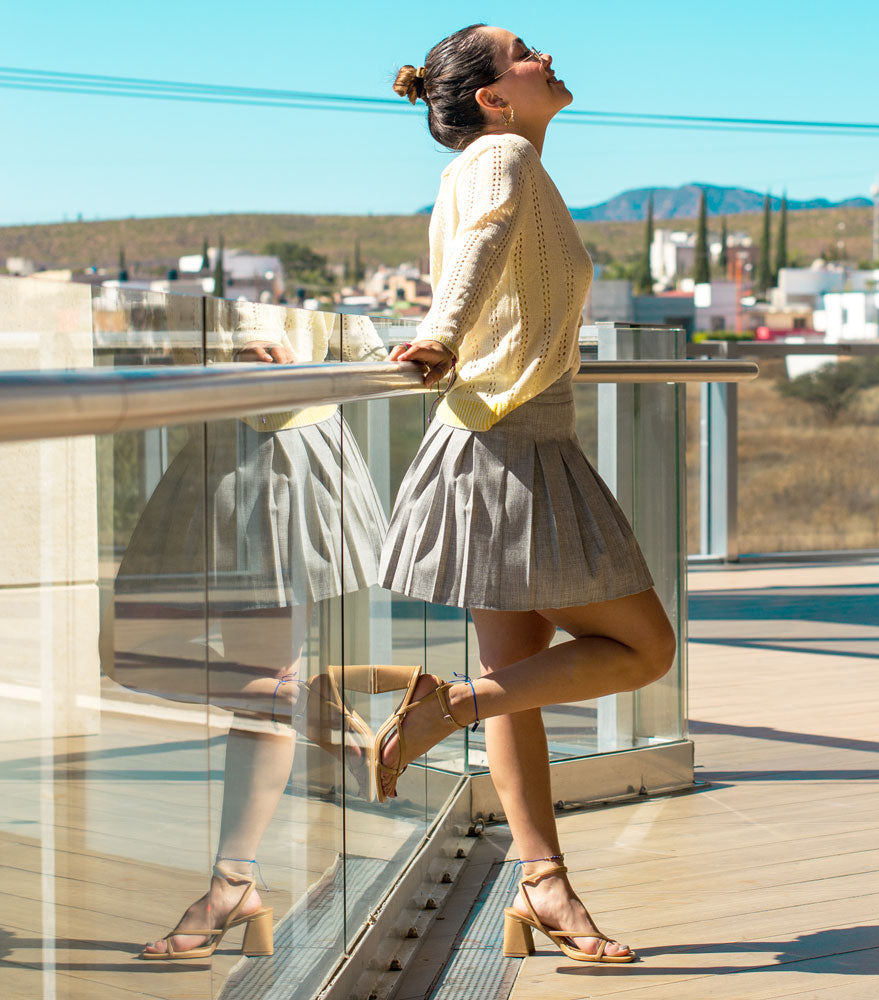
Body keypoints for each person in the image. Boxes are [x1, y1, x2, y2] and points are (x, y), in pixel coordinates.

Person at [378, 25, 676, 965]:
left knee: (523, 686)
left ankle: (542, 884)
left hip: (504, 439)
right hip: (509, 446)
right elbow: (484, 247)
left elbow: (490, 248)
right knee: (641, 648)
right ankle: (451, 707)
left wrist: (448, 343)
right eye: (524, 51)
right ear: (495, 99)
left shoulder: (491, 162)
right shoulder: (502, 156)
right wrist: (439, 336)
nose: (547, 54)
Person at [105, 304, 390, 959]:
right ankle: (303, 706)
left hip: (274, 453)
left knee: (239, 682)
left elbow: (362, 355)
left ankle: (232, 884)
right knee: (132, 649)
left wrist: (271, 348)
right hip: (236, 450)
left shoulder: (284, 261)